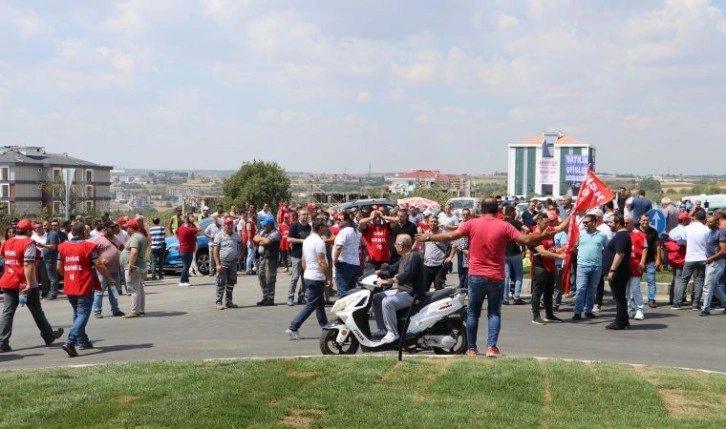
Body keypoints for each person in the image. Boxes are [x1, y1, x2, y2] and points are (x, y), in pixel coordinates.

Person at [415, 197, 564, 358]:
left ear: (481, 209)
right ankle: (491, 347)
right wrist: (546, 235)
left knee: (473, 313)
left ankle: (471, 349)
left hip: (476, 275)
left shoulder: (472, 224)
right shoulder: (504, 225)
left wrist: (428, 237)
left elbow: (450, 236)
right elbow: (526, 239)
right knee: (494, 313)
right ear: (497, 209)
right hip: (496, 275)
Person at [0, 219, 64, 353]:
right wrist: (29, 283)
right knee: (36, 310)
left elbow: (5, 258)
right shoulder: (28, 243)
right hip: (24, 282)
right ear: (28, 231)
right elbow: (28, 264)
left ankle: (2, 342)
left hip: (8, 280)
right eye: (32, 229)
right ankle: (48, 335)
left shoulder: (7, 243)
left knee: (7, 312)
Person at [57, 222, 116, 357]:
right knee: (83, 313)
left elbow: (58, 267)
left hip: (70, 284)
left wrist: (67, 275)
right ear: (84, 232)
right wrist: (109, 278)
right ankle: (70, 342)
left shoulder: (63, 247)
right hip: (84, 284)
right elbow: (99, 264)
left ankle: (83, 341)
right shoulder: (88, 246)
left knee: (77, 313)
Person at [373, 235, 426, 344]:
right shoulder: (404, 256)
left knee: (387, 302)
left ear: (401, 246)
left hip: (413, 294)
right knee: (378, 297)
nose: (395, 246)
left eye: (396, 244)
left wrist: (387, 281)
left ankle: (393, 333)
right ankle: (383, 329)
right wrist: (380, 272)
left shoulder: (414, 257)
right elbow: (393, 268)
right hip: (403, 292)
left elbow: (407, 275)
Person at [286, 218, 332, 339]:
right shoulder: (319, 242)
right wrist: (329, 277)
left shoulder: (307, 240)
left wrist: (307, 271)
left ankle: (325, 326)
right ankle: (293, 327)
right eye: (324, 226)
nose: (326, 228)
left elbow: (304, 259)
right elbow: (321, 262)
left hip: (310, 275)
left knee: (320, 304)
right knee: (311, 305)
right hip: (316, 277)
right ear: (320, 227)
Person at [529, 213, 567, 325]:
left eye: (548, 223)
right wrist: (559, 256)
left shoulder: (549, 230)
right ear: (538, 222)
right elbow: (543, 252)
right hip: (539, 267)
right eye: (545, 223)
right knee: (537, 292)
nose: (547, 225)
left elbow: (561, 227)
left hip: (551, 266)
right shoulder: (535, 235)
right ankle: (536, 316)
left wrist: (573, 214)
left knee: (549, 291)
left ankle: (549, 314)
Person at [572, 214, 609, 321]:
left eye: (586, 222)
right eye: (583, 223)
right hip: (582, 266)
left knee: (592, 290)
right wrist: (581, 255)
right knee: (581, 289)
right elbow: (573, 248)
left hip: (597, 266)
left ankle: (588, 310)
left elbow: (607, 248)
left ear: (594, 223)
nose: (584, 224)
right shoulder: (580, 234)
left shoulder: (602, 235)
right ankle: (577, 312)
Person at [672, 210, 709, 310]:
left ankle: (677, 302)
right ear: (704, 218)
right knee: (699, 280)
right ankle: (696, 304)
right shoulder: (706, 229)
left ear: (695, 217)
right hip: (702, 257)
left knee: (684, 280)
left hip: (690, 257)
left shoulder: (687, 228)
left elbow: (683, 241)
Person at [90, 221, 126, 318]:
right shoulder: (97, 239)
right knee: (99, 291)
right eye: (112, 228)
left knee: (114, 290)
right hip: (102, 270)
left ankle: (115, 309)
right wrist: (100, 259)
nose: (114, 229)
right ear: (105, 228)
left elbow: (122, 247)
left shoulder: (114, 238)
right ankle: (97, 311)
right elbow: (90, 251)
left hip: (115, 269)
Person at [603, 214, 632, 330]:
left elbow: (620, 254)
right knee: (620, 298)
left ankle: (620, 322)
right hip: (619, 272)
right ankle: (624, 320)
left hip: (618, 272)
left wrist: (612, 270)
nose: (608, 224)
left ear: (618, 223)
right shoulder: (621, 235)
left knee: (619, 298)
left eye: (610, 222)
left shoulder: (621, 236)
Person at [212, 217, 242, 310]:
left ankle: (229, 302)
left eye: (231, 224)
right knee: (221, 282)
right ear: (224, 225)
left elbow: (243, 244)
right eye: (228, 224)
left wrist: (240, 255)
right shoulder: (219, 235)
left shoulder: (236, 235)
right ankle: (219, 302)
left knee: (231, 282)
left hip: (233, 263)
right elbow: (215, 250)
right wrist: (217, 264)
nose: (229, 226)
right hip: (223, 262)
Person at [699, 215, 726, 316]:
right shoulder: (709, 233)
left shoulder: (721, 233)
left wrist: (711, 258)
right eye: (707, 222)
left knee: (707, 286)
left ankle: (705, 309)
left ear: (717, 222)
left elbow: (723, 251)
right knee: (714, 287)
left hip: (718, 262)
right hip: (710, 262)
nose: (708, 224)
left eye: (711, 222)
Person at [120, 219, 147, 318]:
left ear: (131, 228)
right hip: (140, 266)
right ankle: (141, 310)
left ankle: (135, 311)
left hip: (134, 267)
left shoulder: (135, 238)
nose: (126, 229)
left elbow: (134, 252)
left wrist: (130, 265)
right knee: (139, 289)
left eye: (127, 227)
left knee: (134, 289)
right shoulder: (140, 236)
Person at [332, 211, 362, 297]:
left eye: (340, 219)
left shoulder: (344, 231)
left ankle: (343, 309)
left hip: (344, 263)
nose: (338, 221)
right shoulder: (356, 231)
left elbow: (338, 247)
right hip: (354, 263)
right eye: (336, 219)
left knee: (343, 290)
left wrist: (335, 260)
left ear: (347, 220)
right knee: (351, 291)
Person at [254, 216, 281, 306]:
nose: (264, 226)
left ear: (270, 225)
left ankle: (270, 298)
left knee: (270, 278)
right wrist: (262, 240)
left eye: (265, 225)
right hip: (262, 257)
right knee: (262, 277)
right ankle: (265, 297)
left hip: (271, 258)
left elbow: (267, 242)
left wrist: (262, 240)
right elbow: (255, 238)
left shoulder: (276, 233)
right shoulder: (263, 231)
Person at [638, 214, 661, 308]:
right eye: (643, 220)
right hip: (637, 261)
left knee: (651, 281)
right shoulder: (635, 231)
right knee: (636, 281)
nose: (645, 222)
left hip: (650, 260)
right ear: (639, 220)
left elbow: (658, 246)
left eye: (647, 220)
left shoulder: (653, 232)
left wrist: (658, 259)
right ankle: (635, 298)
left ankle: (651, 300)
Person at [176, 214, 199, 287]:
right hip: (187, 250)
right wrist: (194, 221)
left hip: (182, 249)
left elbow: (176, 232)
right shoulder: (188, 230)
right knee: (186, 266)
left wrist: (179, 240)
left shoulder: (180, 228)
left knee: (186, 265)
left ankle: (186, 280)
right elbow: (199, 228)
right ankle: (182, 281)